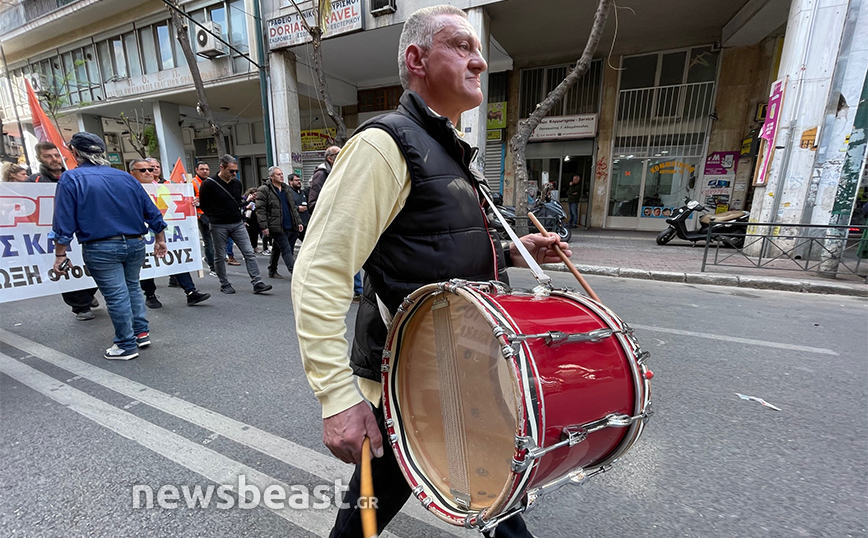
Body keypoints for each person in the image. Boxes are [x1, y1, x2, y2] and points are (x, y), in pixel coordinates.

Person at [291, 6, 569, 537]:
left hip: (459, 372)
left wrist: (512, 252)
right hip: (412, 381)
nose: (480, 61)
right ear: (416, 59)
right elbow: (319, 273)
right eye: (462, 46)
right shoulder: (383, 144)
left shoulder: (449, 148)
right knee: (392, 511)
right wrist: (338, 399)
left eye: (477, 49)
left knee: (491, 500)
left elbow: (431, 247)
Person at [51, 132, 168, 360]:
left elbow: (63, 221)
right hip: (135, 244)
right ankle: (140, 333)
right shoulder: (125, 177)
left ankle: (125, 344)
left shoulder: (71, 178)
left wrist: (60, 254)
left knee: (117, 295)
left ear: (75, 152)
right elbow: (152, 212)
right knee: (132, 288)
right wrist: (160, 239)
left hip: (101, 247)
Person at [27, 141, 99, 320]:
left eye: (56, 155)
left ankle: (88, 295)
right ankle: (81, 306)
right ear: (39, 158)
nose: (54, 159)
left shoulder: (75, 177)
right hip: (53, 233)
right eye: (48, 156)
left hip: (80, 231)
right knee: (64, 269)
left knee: (93, 266)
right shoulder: (33, 181)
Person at [129, 159, 211, 308]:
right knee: (147, 264)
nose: (150, 171)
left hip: (168, 232)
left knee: (177, 260)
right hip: (144, 234)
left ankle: (191, 292)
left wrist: (188, 204)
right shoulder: (129, 190)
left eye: (154, 168)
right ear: (132, 173)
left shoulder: (163, 188)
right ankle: (150, 295)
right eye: (145, 169)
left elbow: (174, 207)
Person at [198, 154, 272, 295]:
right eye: (231, 171)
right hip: (219, 224)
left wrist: (242, 217)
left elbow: (236, 202)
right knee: (219, 255)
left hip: (237, 223)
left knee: (249, 252)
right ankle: (224, 283)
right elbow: (204, 205)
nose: (234, 174)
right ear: (222, 167)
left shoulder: (236, 184)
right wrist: (214, 217)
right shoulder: (208, 184)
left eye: (236, 171)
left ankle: (257, 282)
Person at [255, 166, 303, 279]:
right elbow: (260, 209)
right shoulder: (264, 189)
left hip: (288, 223)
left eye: (282, 174)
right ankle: (296, 274)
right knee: (286, 249)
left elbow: (292, 207)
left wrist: (298, 222)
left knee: (277, 248)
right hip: (275, 224)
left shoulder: (286, 188)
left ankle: (272, 270)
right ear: (271, 177)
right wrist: (264, 226)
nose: (281, 176)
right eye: (278, 174)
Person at [191, 162, 217, 275]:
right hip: (201, 215)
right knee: (209, 242)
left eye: (207, 169)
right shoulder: (193, 183)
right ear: (197, 170)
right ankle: (213, 267)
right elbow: (190, 201)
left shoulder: (211, 182)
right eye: (202, 169)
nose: (205, 171)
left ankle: (210, 260)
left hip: (212, 214)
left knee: (215, 241)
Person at [306, 145, 340, 214]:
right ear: (330, 158)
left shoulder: (338, 171)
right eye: (339, 153)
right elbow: (313, 203)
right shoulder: (321, 174)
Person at [287, 172, 310, 246]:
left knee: (308, 243)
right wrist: (298, 208)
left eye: (299, 180)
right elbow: (287, 206)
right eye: (296, 180)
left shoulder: (302, 192)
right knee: (290, 245)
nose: (299, 182)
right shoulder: (288, 193)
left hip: (305, 223)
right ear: (290, 181)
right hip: (294, 225)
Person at [242, 187, 262, 252]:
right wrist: (246, 207)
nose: (255, 196)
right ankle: (249, 248)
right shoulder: (244, 199)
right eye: (254, 195)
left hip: (255, 218)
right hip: (247, 218)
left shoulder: (257, 200)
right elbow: (241, 208)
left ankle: (255, 247)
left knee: (255, 233)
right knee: (248, 234)